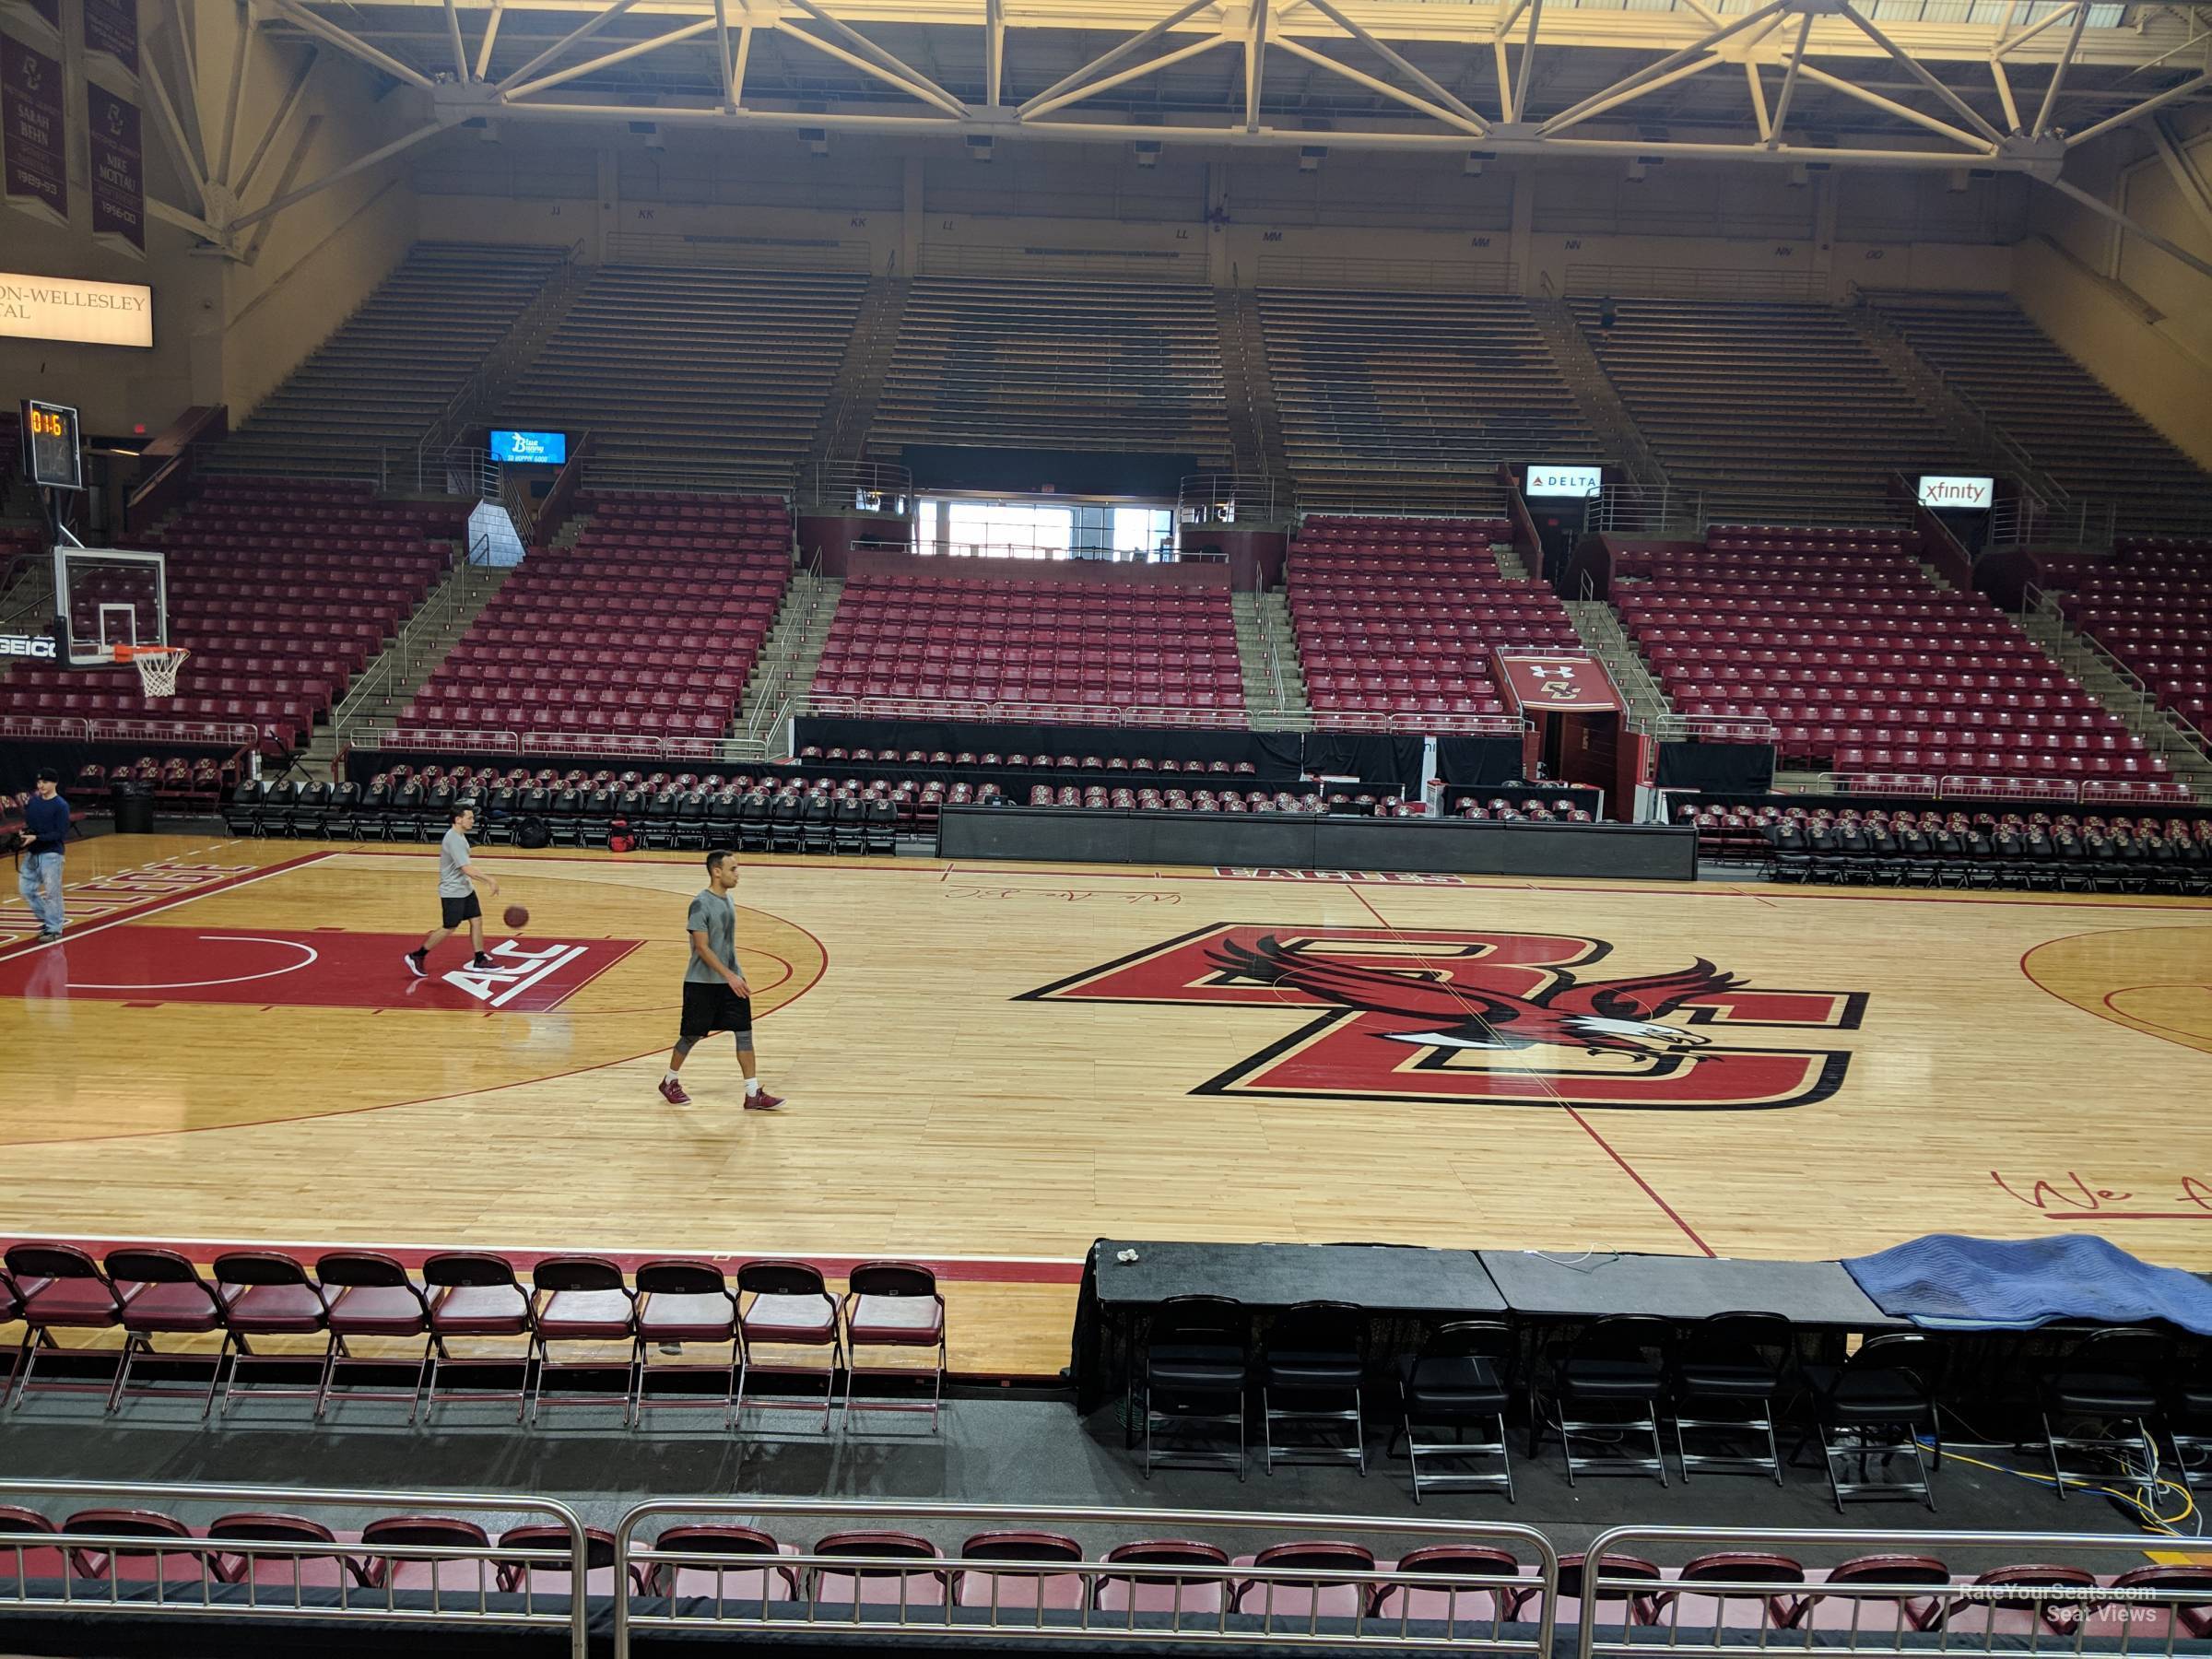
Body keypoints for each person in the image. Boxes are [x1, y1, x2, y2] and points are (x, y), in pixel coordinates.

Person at [660, 849, 783, 1110]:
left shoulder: (728, 900)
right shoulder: (700, 903)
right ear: (717, 872)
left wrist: (736, 973)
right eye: (733, 869)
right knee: (691, 1036)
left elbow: (727, 946)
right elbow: (702, 948)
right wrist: (729, 976)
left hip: (731, 982)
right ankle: (670, 1081)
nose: (738, 874)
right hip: (702, 983)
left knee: (744, 1034)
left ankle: (752, 1094)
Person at [404, 804, 500, 977]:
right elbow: (467, 869)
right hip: (452, 891)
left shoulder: (460, 836)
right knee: (449, 927)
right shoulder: (454, 839)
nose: (473, 820)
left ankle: (479, 958)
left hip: (464, 888)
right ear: (458, 819)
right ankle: (417, 955)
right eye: (469, 817)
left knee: (476, 920)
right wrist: (489, 880)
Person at [18, 769, 69, 942]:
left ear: (55, 783)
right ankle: (48, 922)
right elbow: (30, 824)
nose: (41, 785)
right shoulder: (33, 803)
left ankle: (54, 928)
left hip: (52, 854)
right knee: (26, 889)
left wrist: (36, 837)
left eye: (45, 782)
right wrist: (24, 833)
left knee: (52, 892)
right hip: (33, 852)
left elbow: (60, 834)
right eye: (39, 782)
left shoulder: (61, 805)